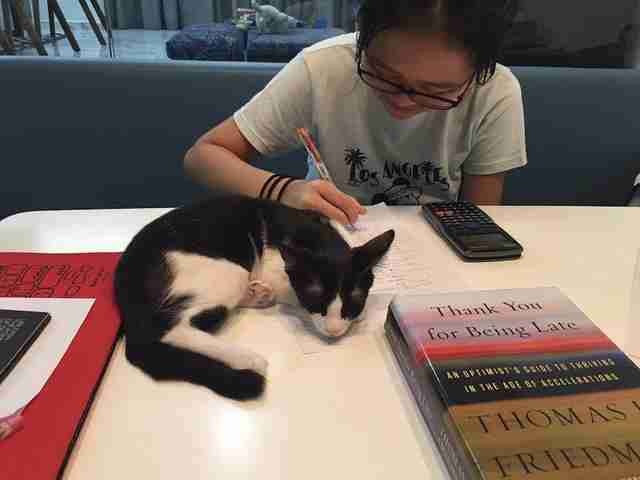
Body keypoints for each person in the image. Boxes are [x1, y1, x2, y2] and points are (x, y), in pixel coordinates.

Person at [184, 0, 526, 226]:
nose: (404, 101)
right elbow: (203, 157)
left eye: (436, 91)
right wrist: (285, 191)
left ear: (479, 71)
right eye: (383, 74)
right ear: (362, 40)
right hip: (329, 246)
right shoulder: (324, 68)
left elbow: (478, 218)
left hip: (436, 255)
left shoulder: (495, 91)